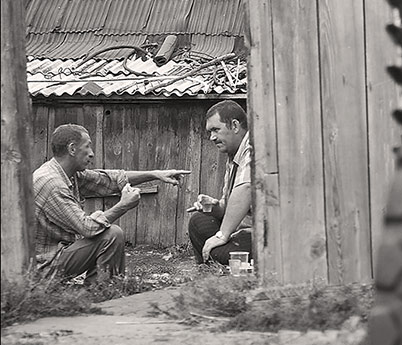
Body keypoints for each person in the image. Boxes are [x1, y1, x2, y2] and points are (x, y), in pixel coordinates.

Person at [33, 123, 190, 285]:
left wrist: (155, 174)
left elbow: (108, 180)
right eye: (87, 147)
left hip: (57, 256)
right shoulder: (51, 183)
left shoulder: (68, 174)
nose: (92, 154)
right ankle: (101, 294)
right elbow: (87, 228)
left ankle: (96, 291)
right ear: (72, 149)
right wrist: (123, 205)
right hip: (43, 269)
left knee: (109, 234)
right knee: (111, 235)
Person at [187, 100, 252, 266]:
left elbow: (246, 188)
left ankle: (219, 271)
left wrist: (222, 235)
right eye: (210, 132)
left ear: (235, 126)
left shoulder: (253, 147)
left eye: (216, 130)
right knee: (198, 220)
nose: (212, 137)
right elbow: (228, 205)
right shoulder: (232, 156)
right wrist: (214, 206)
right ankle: (210, 269)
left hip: (267, 233)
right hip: (242, 230)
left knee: (220, 251)